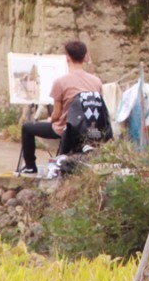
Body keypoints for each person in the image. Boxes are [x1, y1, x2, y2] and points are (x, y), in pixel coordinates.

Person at [17, 39, 103, 177]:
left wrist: (51, 119)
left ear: (67, 57)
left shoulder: (61, 82)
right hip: (89, 130)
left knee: (27, 128)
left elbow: (56, 115)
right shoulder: (96, 81)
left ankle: (30, 166)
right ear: (85, 57)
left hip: (66, 129)